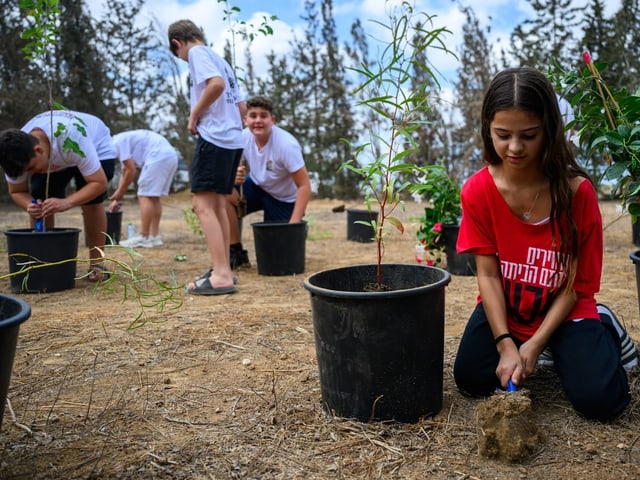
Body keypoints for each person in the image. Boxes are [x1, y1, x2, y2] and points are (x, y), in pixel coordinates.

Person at [452, 66, 637, 422]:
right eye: (502, 135)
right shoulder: (477, 191)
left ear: (549, 131)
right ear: (487, 129)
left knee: (603, 402)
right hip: (510, 308)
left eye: (529, 135)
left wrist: (535, 344)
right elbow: (489, 277)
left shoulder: (576, 194)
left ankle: (605, 327)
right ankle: (541, 346)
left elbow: (575, 285)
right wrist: (506, 343)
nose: (515, 147)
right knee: (472, 379)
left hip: (565, 308)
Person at [168, 19, 245, 295]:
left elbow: (216, 85)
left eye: (178, 55)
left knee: (202, 206)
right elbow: (242, 107)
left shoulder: (198, 54)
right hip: (233, 139)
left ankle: (222, 274)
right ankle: (222, 268)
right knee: (216, 204)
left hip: (215, 138)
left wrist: (194, 113)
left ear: (177, 44)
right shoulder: (219, 58)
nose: (182, 59)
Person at [0, 109, 116, 282]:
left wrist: (67, 202)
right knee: (40, 197)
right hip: (58, 154)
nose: (30, 174)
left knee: (92, 200)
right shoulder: (12, 153)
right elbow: (17, 191)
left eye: (31, 169)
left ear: (38, 150)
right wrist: (29, 205)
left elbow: (99, 183)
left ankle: (97, 264)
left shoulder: (72, 137)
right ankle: (43, 260)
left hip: (95, 145)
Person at [225, 95, 312, 269]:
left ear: (272, 120)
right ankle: (236, 251)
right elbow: (229, 170)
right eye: (253, 116)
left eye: (263, 116)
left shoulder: (286, 145)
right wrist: (234, 176)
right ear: (245, 119)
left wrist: (293, 225)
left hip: (284, 199)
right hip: (258, 187)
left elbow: (304, 186)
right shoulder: (242, 138)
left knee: (279, 256)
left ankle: (296, 228)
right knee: (222, 192)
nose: (258, 121)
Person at [108, 129, 179, 248]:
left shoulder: (117, 142)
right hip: (170, 156)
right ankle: (154, 237)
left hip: (158, 156)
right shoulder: (121, 140)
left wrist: (120, 192)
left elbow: (131, 171)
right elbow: (125, 172)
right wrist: (117, 199)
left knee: (144, 195)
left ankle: (144, 237)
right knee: (153, 197)